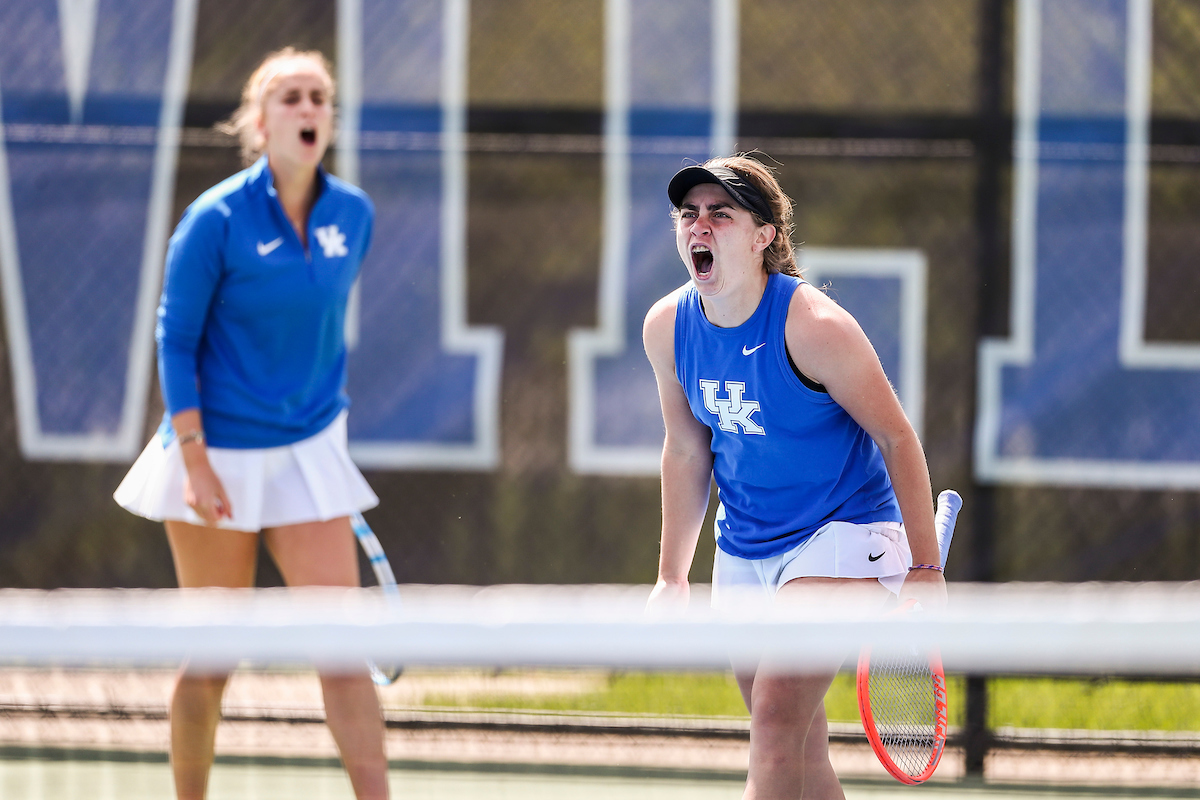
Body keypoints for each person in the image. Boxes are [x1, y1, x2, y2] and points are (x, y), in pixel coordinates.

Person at [114, 48, 389, 800]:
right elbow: (175, 339)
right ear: (258, 120)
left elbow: (313, 335)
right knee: (212, 657)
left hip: (307, 456)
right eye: (291, 98)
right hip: (215, 455)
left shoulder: (352, 216)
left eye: (319, 98)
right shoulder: (214, 220)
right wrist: (196, 459)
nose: (307, 110)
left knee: (342, 652)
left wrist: (316, 426)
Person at [642, 154, 947, 800]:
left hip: (844, 534)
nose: (700, 226)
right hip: (745, 545)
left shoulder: (815, 328)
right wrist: (672, 576)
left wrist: (926, 570)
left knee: (777, 719)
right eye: (689, 214)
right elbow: (688, 452)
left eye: (720, 214)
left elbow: (897, 437)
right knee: (798, 748)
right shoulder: (667, 328)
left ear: (764, 237)